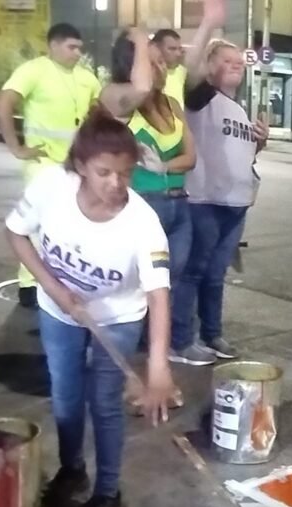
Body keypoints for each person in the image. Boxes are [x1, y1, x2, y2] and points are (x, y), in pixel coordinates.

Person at [5, 108, 176, 507]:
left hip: (118, 316)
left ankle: (108, 491)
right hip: (58, 308)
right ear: (81, 166)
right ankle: (72, 469)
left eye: (126, 173)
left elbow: (158, 296)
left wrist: (157, 367)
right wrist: (53, 287)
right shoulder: (51, 186)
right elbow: (15, 233)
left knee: (104, 402)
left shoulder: (144, 223)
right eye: (104, 173)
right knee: (65, 394)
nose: (116, 184)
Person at [100, 29, 204, 366]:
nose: (163, 68)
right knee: (135, 284)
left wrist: (163, 165)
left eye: (162, 61)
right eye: (154, 61)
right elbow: (141, 88)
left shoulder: (172, 104)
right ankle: (122, 355)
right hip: (143, 203)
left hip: (178, 203)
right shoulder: (117, 98)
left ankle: (156, 350)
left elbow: (191, 158)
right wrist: (139, 36)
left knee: (166, 284)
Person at [172, 2, 267, 365]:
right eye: (227, 62)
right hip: (205, 201)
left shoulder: (237, 107)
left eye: (239, 63)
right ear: (211, 67)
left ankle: (212, 334)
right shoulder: (201, 98)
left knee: (214, 276)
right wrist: (209, 25)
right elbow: (189, 70)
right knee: (194, 272)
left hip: (236, 204)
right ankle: (182, 340)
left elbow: (244, 155)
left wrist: (260, 140)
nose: (236, 67)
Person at [0, 23, 101, 309]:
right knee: (34, 225)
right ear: (53, 45)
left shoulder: (86, 78)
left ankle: (62, 280)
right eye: (71, 47)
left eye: (80, 47)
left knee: (69, 225)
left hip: (75, 164)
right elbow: (4, 102)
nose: (77, 53)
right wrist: (16, 147)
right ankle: (29, 285)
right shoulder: (34, 70)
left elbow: (96, 112)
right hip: (41, 163)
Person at [152, 29, 186, 105]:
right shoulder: (148, 75)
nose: (178, 54)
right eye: (172, 49)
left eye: (179, 49)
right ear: (156, 48)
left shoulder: (184, 73)